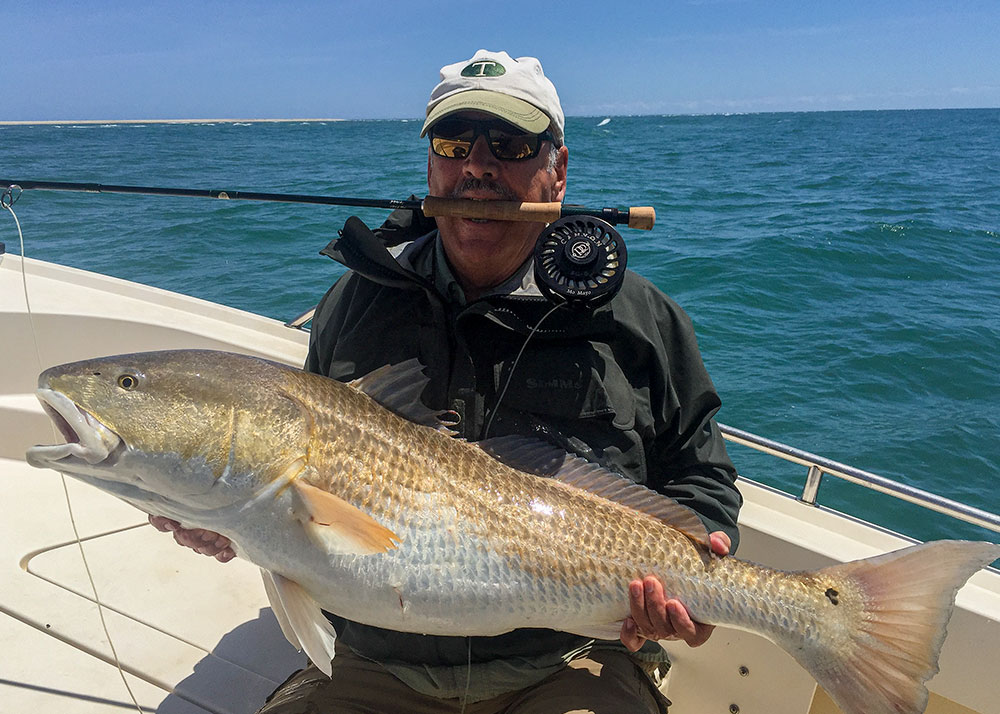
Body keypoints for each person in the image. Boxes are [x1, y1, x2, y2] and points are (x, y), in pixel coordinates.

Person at [151, 49, 742, 713]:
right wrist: (223, 516)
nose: (479, 167)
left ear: (559, 170)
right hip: (381, 660)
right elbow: (301, 481)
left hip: (570, 656)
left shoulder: (638, 320)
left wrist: (695, 568)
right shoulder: (353, 303)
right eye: (454, 143)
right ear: (431, 165)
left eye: (512, 144)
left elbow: (702, 479)